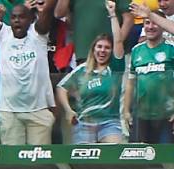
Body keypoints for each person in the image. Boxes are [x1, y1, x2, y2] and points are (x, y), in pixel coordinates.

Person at [0, 0, 57, 145]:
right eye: (14, 17)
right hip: (10, 113)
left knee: (40, 162)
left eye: (22, 17)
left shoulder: (38, 34)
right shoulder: (3, 34)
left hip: (38, 111)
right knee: (14, 162)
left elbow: (48, 9)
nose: (17, 21)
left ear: (30, 19)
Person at [56, 2, 125, 144]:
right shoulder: (82, 70)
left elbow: (118, 41)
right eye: (99, 47)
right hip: (84, 125)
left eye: (107, 48)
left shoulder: (115, 68)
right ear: (93, 49)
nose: (102, 50)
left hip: (110, 123)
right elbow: (61, 88)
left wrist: (112, 15)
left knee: (113, 156)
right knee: (83, 164)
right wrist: (69, 110)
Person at [123, 5, 174, 144]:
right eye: (147, 23)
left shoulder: (171, 48)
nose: (150, 27)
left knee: (167, 158)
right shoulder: (136, 51)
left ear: (163, 26)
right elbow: (130, 83)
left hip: (166, 114)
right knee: (139, 159)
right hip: (141, 114)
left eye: (155, 23)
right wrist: (126, 110)